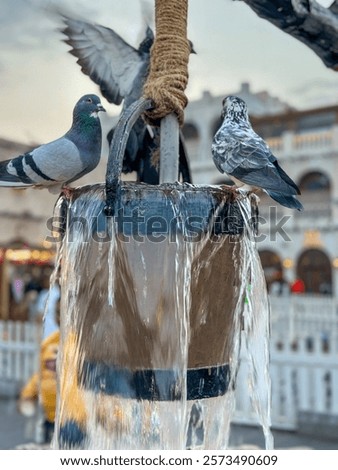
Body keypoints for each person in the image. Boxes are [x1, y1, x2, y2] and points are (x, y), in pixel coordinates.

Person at [18, 299, 60, 444]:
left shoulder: (80, 344)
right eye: (58, 312)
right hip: (49, 417)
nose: (60, 316)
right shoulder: (49, 343)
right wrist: (28, 393)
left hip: (75, 419)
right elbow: (41, 374)